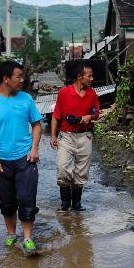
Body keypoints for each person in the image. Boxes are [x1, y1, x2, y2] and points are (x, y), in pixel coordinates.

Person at [0, 61, 43, 256]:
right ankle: (11, 234)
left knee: (26, 198)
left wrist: (34, 149)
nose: (22, 80)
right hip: (1, 161)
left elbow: (37, 125)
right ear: (6, 79)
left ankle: (28, 238)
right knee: (7, 201)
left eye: (22, 76)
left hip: (25, 159)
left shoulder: (26, 99)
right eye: (18, 77)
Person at [50, 65, 100, 212]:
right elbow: (56, 116)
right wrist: (53, 135)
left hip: (85, 136)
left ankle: (76, 204)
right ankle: (65, 204)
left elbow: (96, 113)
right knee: (63, 167)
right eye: (89, 76)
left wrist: (89, 117)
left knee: (81, 172)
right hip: (66, 136)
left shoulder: (92, 94)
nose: (92, 79)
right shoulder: (64, 93)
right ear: (80, 77)